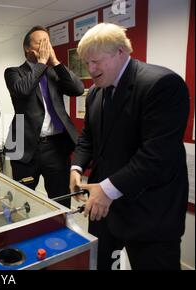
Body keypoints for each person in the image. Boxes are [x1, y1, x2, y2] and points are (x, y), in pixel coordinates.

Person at [70, 23, 189, 270]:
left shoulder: (162, 84)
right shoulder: (95, 94)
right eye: (86, 63)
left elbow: (157, 155)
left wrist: (107, 189)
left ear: (121, 52)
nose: (90, 70)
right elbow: (88, 139)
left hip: (150, 214)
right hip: (105, 212)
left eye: (96, 61)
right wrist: (77, 168)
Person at [4, 26, 84, 207]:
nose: (45, 46)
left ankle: (60, 231)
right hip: (25, 148)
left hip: (55, 148)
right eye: (40, 42)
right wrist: (41, 63)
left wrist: (54, 61)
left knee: (60, 199)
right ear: (27, 48)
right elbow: (22, 91)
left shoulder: (54, 72)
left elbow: (78, 89)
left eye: (47, 42)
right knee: (23, 200)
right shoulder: (13, 72)